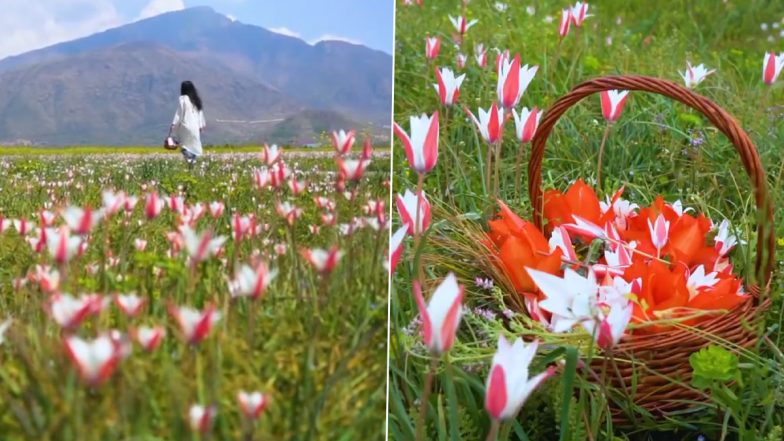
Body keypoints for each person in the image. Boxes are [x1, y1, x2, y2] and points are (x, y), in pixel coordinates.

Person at [169, 81, 206, 168]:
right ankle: (192, 163)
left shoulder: (183, 99)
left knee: (184, 146)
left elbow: (179, 114)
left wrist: (174, 125)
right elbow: (200, 115)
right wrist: (201, 126)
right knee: (194, 145)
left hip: (186, 127)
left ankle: (190, 162)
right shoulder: (196, 100)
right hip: (195, 127)